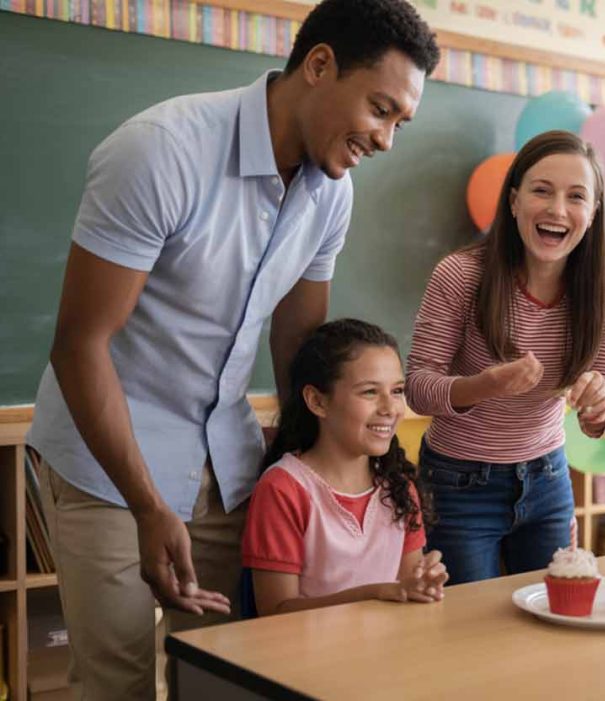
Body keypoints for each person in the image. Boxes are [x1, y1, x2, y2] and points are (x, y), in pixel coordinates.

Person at [26, 0, 438, 696]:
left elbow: (300, 341)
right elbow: (79, 345)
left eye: (401, 122)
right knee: (118, 680)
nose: (386, 140)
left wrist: (308, 465)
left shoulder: (331, 191)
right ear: (318, 65)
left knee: (230, 672)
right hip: (110, 468)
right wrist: (148, 504)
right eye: (379, 109)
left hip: (228, 459)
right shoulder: (161, 150)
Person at [405, 130, 605, 585]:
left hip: (548, 480)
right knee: (470, 631)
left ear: (592, 213)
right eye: (541, 191)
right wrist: (484, 386)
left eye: (576, 197)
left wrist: (600, 405)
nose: (556, 210)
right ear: (513, 201)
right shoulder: (460, 275)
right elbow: (417, 386)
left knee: (554, 622)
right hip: (457, 485)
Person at [242, 319, 447, 615]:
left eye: (398, 390)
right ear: (317, 401)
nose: (390, 408)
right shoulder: (282, 488)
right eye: (369, 392)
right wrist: (377, 593)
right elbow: (275, 612)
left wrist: (423, 583)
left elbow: (407, 591)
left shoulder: (399, 486)